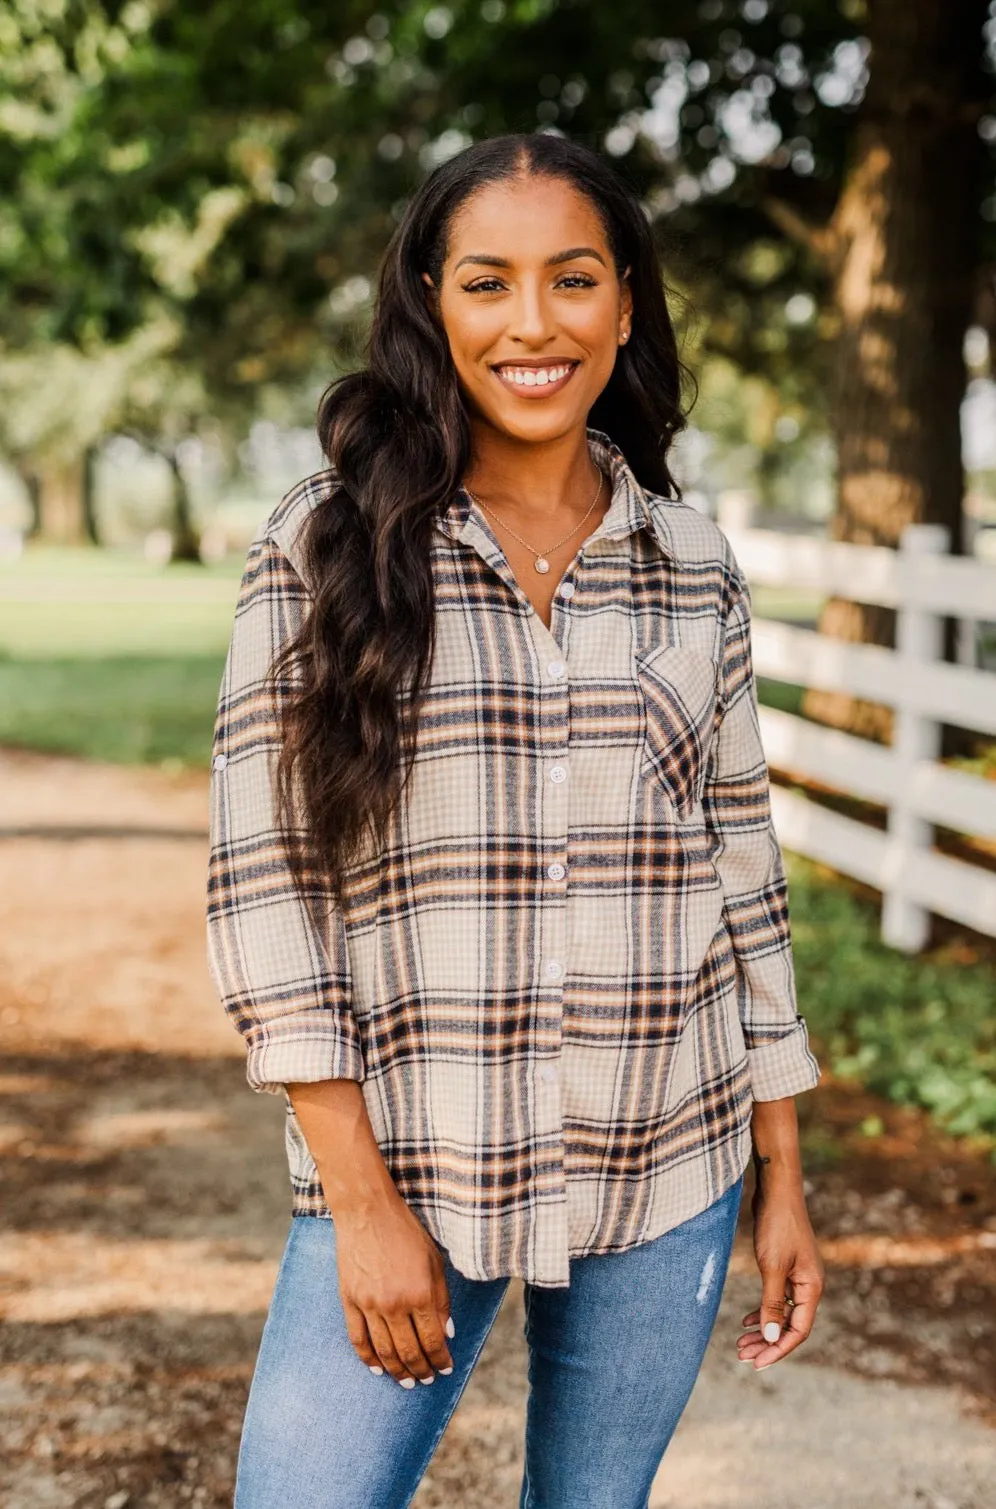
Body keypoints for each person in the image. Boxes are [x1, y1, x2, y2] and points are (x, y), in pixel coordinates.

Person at [206, 130, 826, 1509]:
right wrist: (360, 1205)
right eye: (488, 282)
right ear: (433, 301)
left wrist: (782, 1170)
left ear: (624, 302)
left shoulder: (694, 565)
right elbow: (265, 892)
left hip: (667, 1157)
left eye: (574, 280)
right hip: (418, 1158)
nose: (533, 324)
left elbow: (742, 867)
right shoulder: (323, 546)